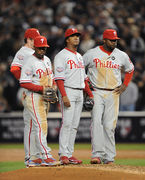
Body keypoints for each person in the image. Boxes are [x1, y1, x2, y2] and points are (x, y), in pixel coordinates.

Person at [83, 29, 134, 164]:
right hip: (96, 92)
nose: (114, 42)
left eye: (115, 40)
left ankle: (109, 157)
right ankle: (97, 155)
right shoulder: (92, 53)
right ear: (104, 40)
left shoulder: (121, 55)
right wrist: (86, 88)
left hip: (113, 92)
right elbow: (79, 68)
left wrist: (125, 85)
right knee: (96, 122)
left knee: (109, 126)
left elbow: (130, 69)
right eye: (112, 40)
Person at [54, 28, 93, 165]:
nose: (76, 38)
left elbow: (84, 79)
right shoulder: (61, 55)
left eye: (77, 36)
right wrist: (63, 96)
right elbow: (59, 78)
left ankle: (69, 154)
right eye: (73, 36)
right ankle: (63, 154)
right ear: (67, 39)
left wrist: (90, 94)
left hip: (79, 91)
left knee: (75, 125)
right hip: (68, 90)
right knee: (67, 123)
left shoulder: (79, 56)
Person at [19, 35, 58, 167]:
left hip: (44, 96)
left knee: (39, 127)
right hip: (34, 97)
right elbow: (24, 82)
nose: (42, 50)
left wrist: (53, 87)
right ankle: (46, 155)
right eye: (40, 48)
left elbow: (51, 77)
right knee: (40, 125)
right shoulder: (29, 61)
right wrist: (41, 89)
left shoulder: (47, 59)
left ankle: (35, 158)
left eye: (44, 48)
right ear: (35, 47)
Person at [10, 28, 40, 166]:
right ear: (28, 39)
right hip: (28, 91)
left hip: (38, 91)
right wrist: (24, 83)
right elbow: (14, 68)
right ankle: (29, 157)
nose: (38, 41)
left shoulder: (35, 52)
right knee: (30, 124)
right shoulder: (23, 52)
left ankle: (36, 155)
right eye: (35, 39)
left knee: (37, 124)